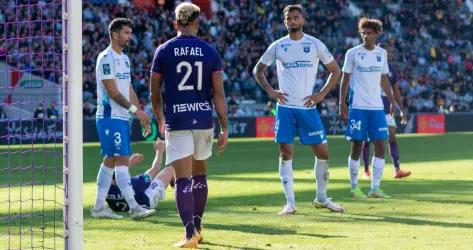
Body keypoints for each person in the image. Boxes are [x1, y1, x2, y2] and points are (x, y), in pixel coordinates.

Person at [253, 4, 345, 216]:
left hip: (307, 108)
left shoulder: (314, 44)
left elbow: (335, 70)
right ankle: (290, 203)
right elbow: (258, 69)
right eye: (289, 18)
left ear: (302, 20)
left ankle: (322, 198)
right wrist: (270, 90)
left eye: (296, 17)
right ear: (285, 22)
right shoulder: (278, 46)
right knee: (286, 154)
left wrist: (321, 94)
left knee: (323, 153)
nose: (292, 21)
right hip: (285, 108)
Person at [149, 3, 228, 248]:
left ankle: (189, 233)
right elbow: (218, 93)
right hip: (203, 119)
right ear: (197, 23)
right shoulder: (210, 51)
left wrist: (160, 118)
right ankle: (198, 225)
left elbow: (154, 92)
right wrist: (224, 127)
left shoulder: (163, 50)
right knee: (200, 175)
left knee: (183, 179)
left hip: (178, 119)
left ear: (175, 24)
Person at [91, 18, 155, 220]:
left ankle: (99, 208)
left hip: (122, 117)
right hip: (110, 116)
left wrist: (139, 114)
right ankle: (134, 207)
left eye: (130, 32)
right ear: (114, 34)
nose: (129, 36)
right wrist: (137, 111)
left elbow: (127, 89)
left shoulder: (125, 59)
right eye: (126, 32)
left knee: (111, 161)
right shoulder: (106, 58)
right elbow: (112, 92)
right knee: (122, 161)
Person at [339, 17, 397, 199]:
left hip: (377, 108)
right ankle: (354, 187)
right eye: (363, 33)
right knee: (357, 145)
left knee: (381, 145)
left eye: (369, 33)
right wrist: (342, 103)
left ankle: (375, 188)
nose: (365, 36)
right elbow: (345, 79)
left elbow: (384, 78)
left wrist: (392, 100)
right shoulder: (353, 53)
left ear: (377, 34)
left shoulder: (381, 54)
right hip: (357, 107)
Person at [362, 43, 411, 179]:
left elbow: (395, 90)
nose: (389, 53)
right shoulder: (368, 65)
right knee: (368, 140)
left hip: (386, 107)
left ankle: (397, 169)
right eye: (387, 51)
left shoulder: (392, 69)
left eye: (390, 51)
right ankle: (366, 170)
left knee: (392, 137)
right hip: (370, 106)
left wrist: (401, 109)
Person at [106, 140, 173, 212]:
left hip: (122, 207)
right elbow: (155, 169)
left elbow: (117, 172)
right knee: (171, 169)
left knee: (146, 179)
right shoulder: (134, 183)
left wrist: (130, 163)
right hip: (147, 201)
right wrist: (159, 151)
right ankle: (181, 192)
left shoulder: (105, 187)